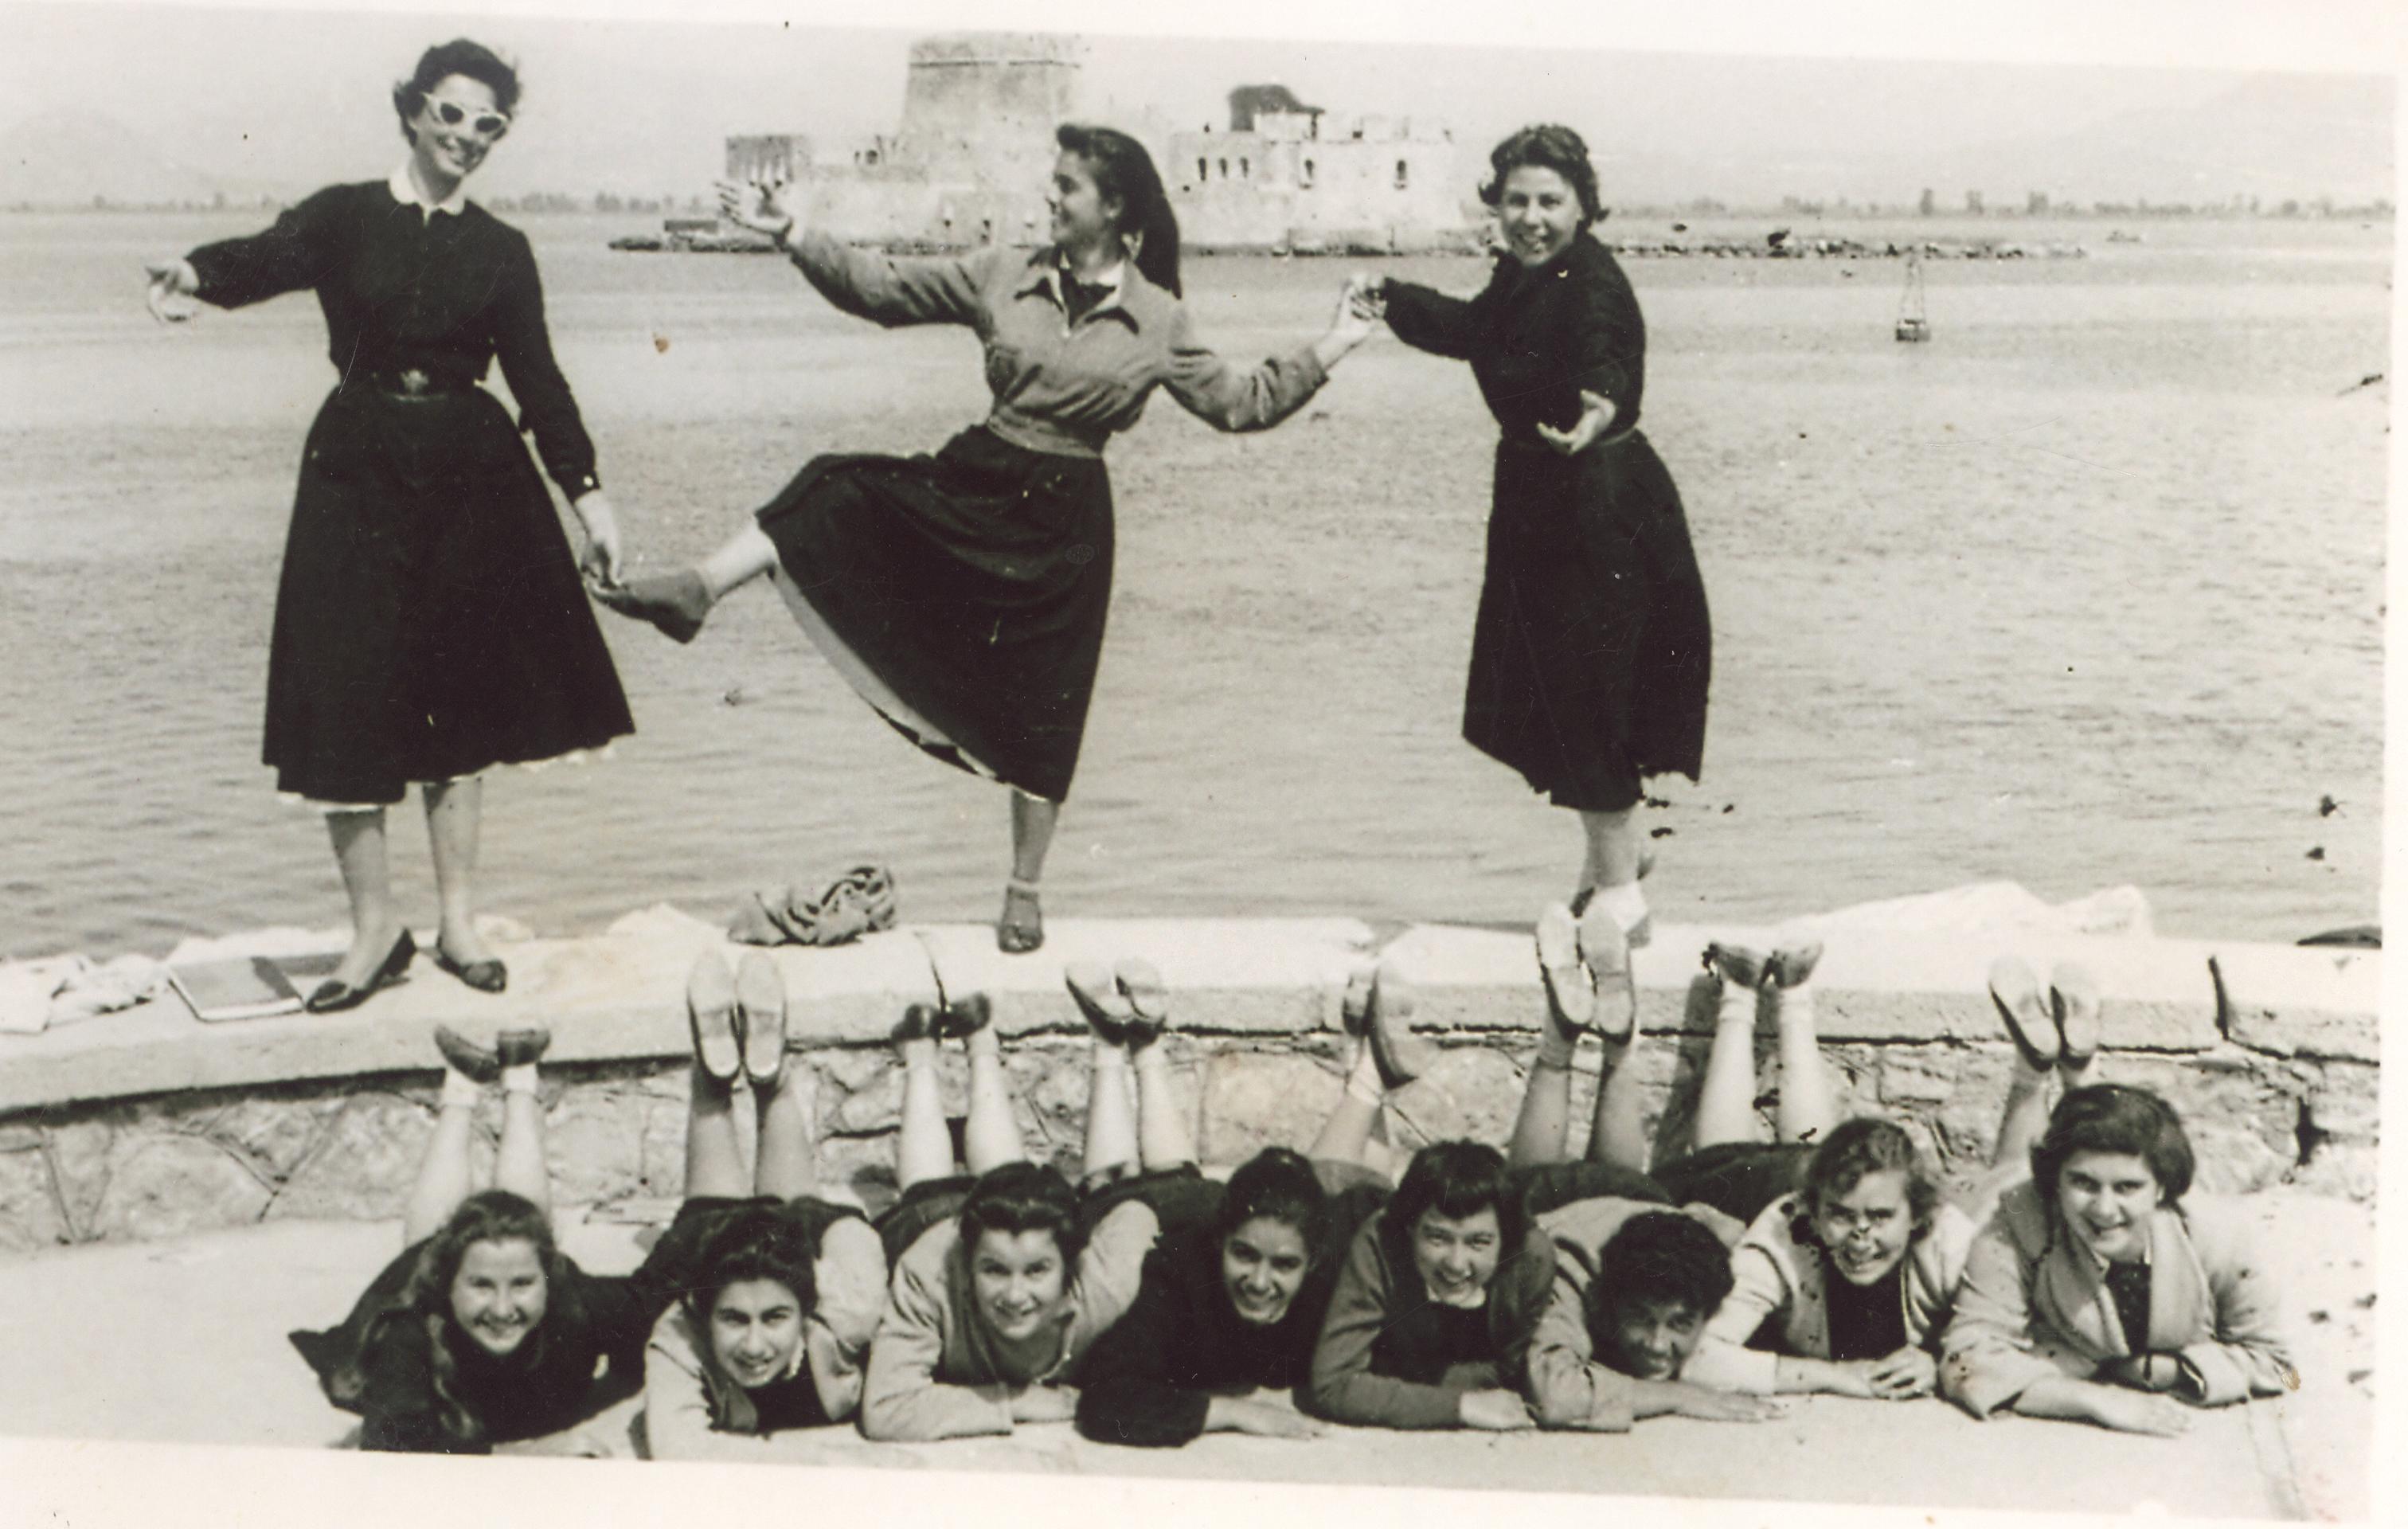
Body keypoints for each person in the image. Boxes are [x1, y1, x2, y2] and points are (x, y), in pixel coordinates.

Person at [594, 124, 1379, 954]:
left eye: (1067, 185)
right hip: (978, 477)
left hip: (1067, 521)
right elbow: (882, 290)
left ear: (1114, 207)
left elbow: (1243, 403)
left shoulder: (1159, 318)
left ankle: (1024, 891)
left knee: (1050, 704)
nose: (1050, 195)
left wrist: (1339, 339)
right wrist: (792, 231)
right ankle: (699, 589)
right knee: (832, 486)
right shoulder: (1003, 272)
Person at [140, 40, 634, 1010]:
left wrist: (590, 499)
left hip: (472, 482)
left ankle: (458, 926)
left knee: (461, 697)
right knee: (344, 690)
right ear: (411, 111)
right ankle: (375, 933)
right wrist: (192, 274)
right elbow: (264, 258)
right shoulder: (344, 216)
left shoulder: (503, 250)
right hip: (355, 474)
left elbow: (539, 381)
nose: (466, 136)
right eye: (450, 114)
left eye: (488, 124)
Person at [1362, 124, 1710, 944]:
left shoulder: (1591, 282)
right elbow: (1472, 331)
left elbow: (1607, 357)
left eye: (1550, 202)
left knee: (1590, 690)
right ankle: (1616, 861)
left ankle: (1621, 898)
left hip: (1598, 505)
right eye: (1516, 201)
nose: (1530, 218)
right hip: (1542, 501)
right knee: (1558, 689)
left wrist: (1598, 408)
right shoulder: (1522, 277)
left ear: (1584, 207)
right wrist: (1390, 297)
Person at [857, 960, 1212, 1440]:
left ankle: (1107, 1045)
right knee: (930, 1191)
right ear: (968, 1262)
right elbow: (886, 1409)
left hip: (1034, 1227)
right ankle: (927, 1056)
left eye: (1038, 1271)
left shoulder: (1107, 1284)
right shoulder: (929, 1274)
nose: (1015, 1295)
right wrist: (1015, 1401)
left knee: (1125, 1185)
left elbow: (1135, 1210)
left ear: (1071, 1270)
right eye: (994, 1271)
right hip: (932, 1224)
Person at [1941, 964, 2296, 1436]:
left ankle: (2056, 1071)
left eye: (2128, 1188)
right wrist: (2094, 1399)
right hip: (2004, 1202)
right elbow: (1965, 1358)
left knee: (2081, 1144)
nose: (2105, 1209)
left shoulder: (2216, 1235)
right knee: (2009, 1175)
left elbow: (2283, 1370)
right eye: (2083, 1184)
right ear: (2056, 1183)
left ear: (2162, 1189)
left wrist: (2171, 1372)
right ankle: (2047, 1073)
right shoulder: (2015, 1221)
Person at [1069, 966, 1416, 1448]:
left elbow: (1366, 1195)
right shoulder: (1180, 1276)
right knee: (1112, 1187)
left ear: (1314, 1261)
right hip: (1157, 1211)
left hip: (1210, 1197)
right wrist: (1229, 1412)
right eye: (1245, 1255)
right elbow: (1105, 1401)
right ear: (1221, 1242)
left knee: (1324, 1182)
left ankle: (1144, 1043)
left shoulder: (1332, 1265)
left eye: (1285, 1265)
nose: (1259, 1281)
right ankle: (1109, 1044)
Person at [287, 1026, 652, 1454]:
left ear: (548, 1280)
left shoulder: (575, 1299)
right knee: (427, 1247)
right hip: (426, 1286)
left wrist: (616, 1379)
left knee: (515, 1231)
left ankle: (511, 1077)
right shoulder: (408, 1337)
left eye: (524, 1285)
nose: (503, 1310)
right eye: (481, 1287)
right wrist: (533, 1452)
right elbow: (396, 1452)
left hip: (504, 1269)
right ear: (446, 1286)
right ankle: (472, 1087)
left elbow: (654, 1302)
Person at [638, 951, 889, 1457]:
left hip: (760, 1241)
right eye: (733, 1319)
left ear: (808, 1313)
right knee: (794, 1201)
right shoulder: (678, 1337)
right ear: (703, 1315)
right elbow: (676, 1448)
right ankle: (765, 1077)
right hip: (765, 1247)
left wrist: (805, 1224)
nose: (755, 1347)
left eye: (775, 1318)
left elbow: (856, 1247)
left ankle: (723, 1077)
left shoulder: (849, 1309)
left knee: (715, 1208)